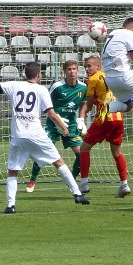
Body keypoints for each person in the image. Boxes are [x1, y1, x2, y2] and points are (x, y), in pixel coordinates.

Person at [0, 62, 90, 213]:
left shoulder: (14, 85)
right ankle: (77, 194)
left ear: (25, 74)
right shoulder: (41, 89)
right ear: (38, 75)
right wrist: (64, 127)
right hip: (37, 135)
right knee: (59, 162)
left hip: (18, 136)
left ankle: (10, 205)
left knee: (13, 171)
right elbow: (51, 113)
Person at [26, 60, 87, 193]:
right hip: (54, 125)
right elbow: (47, 104)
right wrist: (57, 118)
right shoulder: (57, 86)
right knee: (42, 151)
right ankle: (33, 179)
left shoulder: (83, 87)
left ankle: (72, 179)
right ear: (64, 72)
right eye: (69, 69)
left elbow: (84, 103)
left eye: (74, 69)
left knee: (82, 153)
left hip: (70, 126)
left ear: (78, 70)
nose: (72, 72)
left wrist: (81, 118)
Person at [77, 55, 131, 198]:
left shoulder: (93, 79)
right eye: (85, 66)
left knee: (84, 148)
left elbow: (88, 104)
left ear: (98, 66)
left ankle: (84, 183)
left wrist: (83, 115)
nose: (87, 69)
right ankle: (124, 184)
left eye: (89, 66)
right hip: (118, 117)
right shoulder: (112, 76)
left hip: (104, 118)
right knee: (117, 152)